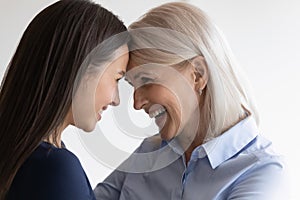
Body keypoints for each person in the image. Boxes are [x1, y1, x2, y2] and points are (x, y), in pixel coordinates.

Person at [94, 2, 285, 200]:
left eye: (147, 80)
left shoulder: (263, 172)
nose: (136, 103)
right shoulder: (151, 151)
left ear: (198, 75)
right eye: (132, 84)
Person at [0, 0, 129, 199]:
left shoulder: (26, 156)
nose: (116, 99)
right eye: (117, 78)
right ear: (83, 70)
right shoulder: (55, 167)